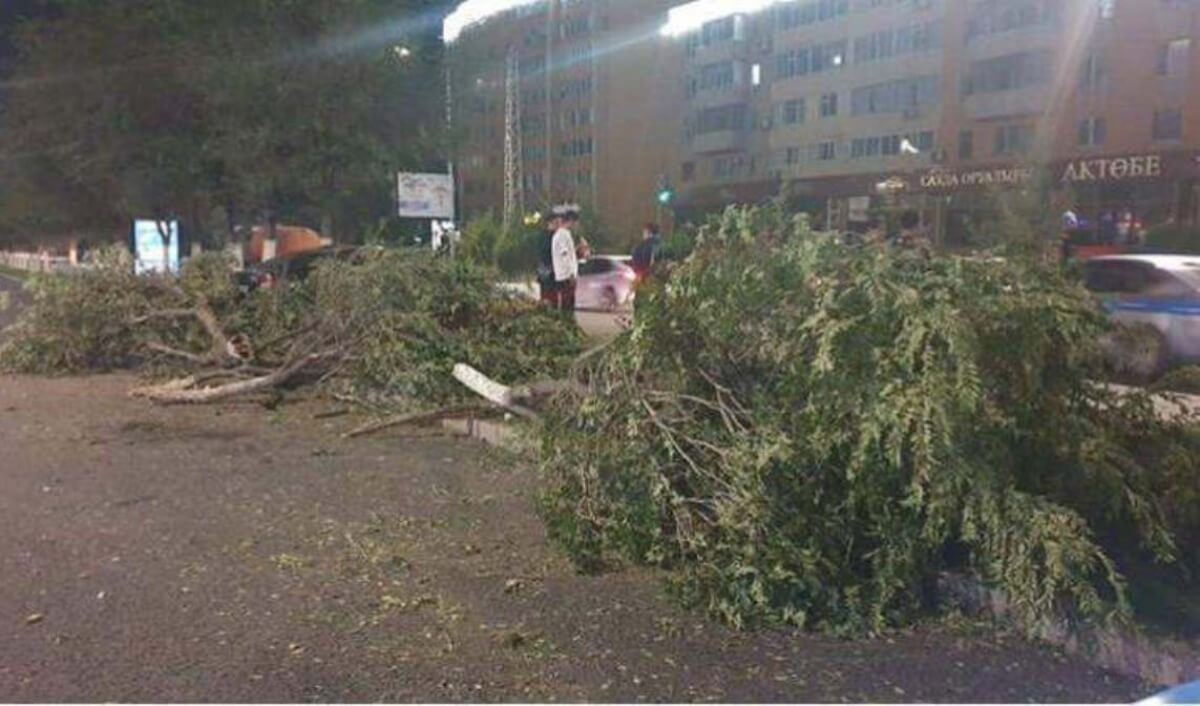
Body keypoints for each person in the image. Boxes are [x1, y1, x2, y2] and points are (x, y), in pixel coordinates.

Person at [551, 204, 580, 313]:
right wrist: (571, 273)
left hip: (561, 274)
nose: (576, 225)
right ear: (571, 221)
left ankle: (566, 322)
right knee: (568, 304)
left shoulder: (558, 234)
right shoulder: (563, 234)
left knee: (566, 302)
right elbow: (565, 255)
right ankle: (567, 323)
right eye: (576, 222)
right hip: (566, 276)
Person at [537, 212, 560, 308]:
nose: (558, 225)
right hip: (548, 272)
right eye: (556, 222)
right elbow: (546, 253)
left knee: (552, 298)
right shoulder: (547, 237)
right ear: (550, 223)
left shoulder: (554, 236)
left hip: (547, 272)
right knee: (548, 298)